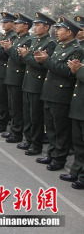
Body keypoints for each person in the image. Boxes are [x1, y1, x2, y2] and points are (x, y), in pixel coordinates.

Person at [35, 16, 84, 171]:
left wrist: (47, 61)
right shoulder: (59, 47)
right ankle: (51, 153)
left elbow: (67, 72)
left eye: (60, 29)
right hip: (49, 92)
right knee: (50, 127)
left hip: (61, 94)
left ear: (69, 32)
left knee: (60, 128)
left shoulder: (76, 50)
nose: (56, 32)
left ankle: (59, 158)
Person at [18, 12, 56, 156]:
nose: (35, 27)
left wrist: (26, 56)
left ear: (47, 27)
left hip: (37, 83)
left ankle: (36, 144)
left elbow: (41, 64)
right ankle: (28, 140)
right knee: (28, 114)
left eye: (38, 25)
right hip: (28, 82)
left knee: (36, 116)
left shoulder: (50, 43)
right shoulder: (36, 40)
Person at [0, 13, 33, 143]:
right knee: (12, 106)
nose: (16, 25)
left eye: (18, 24)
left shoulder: (27, 40)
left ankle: (17, 132)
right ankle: (14, 130)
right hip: (11, 75)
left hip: (18, 76)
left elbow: (20, 59)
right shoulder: (19, 39)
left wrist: (9, 49)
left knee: (17, 107)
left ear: (26, 26)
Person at [63, 54, 84, 188]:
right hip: (79, 105)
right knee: (78, 142)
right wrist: (74, 69)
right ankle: (76, 170)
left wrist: (78, 70)